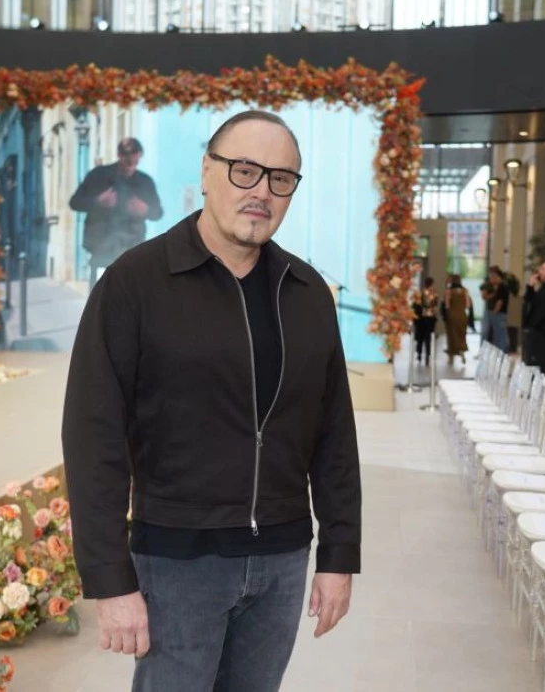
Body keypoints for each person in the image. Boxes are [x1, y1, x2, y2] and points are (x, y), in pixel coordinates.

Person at [62, 110, 361, 692]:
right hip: (178, 562)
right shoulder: (135, 283)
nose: (261, 192)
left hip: (282, 560)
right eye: (244, 170)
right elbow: (92, 436)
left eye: (280, 178)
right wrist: (109, 579)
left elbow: (334, 435)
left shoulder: (306, 293)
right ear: (206, 171)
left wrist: (339, 554)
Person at [69, 137, 164, 288]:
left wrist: (145, 210)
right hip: (102, 248)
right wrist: (97, 202)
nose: (131, 164)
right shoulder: (98, 176)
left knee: (131, 296)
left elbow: (158, 213)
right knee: (101, 296)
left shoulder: (145, 182)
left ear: (139, 157)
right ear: (119, 155)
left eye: (135, 160)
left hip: (133, 251)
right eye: (127, 158)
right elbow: (75, 202)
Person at [444, 274, 471, 366]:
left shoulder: (449, 291)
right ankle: (462, 352)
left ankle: (451, 355)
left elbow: (447, 305)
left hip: (452, 315)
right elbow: (468, 305)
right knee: (462, 334)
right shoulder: (465, 291)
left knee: (452, 335)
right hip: (463, 315)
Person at [412, 277, 439, 366]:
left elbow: (415, 305)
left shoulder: (420, 293)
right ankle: (428, 355)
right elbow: (436, 303)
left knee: (420, 336)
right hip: (431, 317)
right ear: (432, 283)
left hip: (421, 318)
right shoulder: (434, 293)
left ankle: (419, 354)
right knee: (428, 337)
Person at [483, 266, 510, 353]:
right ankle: (486, 352)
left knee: (500, 335)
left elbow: (500, 302)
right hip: (490, 312)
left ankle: (501, 353)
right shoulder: (490, 286)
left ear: (498, 276)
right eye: (490, 276)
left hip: (499, 314)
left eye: (493, 276)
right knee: (486, 333)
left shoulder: (503, 286)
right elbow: (485, 297)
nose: (491, 278)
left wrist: (494, 312)